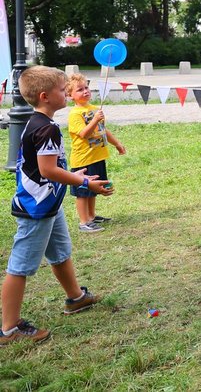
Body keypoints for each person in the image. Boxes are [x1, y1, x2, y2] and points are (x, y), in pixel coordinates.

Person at [1, 67, 112, 345]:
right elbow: (48, 170)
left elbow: (48, 169)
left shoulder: (39, 121)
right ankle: (9, 327)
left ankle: (75, 298)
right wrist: (83, 182)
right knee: (20, 266)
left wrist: (79, 177)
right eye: (63, 91)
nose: (67, 94)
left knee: (60, 252)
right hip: (36, 208)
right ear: (45, 96)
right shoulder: (46, 128)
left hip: (50, 203)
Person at [65, 74, 125, 233]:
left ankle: (91, 216)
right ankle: (84, 222)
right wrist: (94, 120)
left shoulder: (94, 110)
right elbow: (84, 133)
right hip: (83, 160)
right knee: (83, 192)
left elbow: (103, 130)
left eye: (86, 88)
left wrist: (117, 144)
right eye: (79, 90)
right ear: (70, 96)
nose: (85, 91)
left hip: (97, 157)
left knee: (94, 189)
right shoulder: (75, 114)